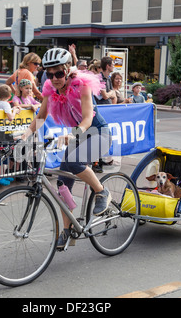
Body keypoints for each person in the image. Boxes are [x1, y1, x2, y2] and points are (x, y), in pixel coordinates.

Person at [18, 48, 112, 249]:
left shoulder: (82, 85)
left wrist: (72, 134)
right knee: (62, 183)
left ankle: (102, 192)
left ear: (68, 69)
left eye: (59, 73)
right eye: (50, 75)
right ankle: (67, 229)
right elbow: (41, 117)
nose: (55, 78)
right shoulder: (51, 90)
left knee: (73, 162)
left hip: (98, 134)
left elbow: (88, 117)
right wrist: (24, 137)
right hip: (77, 136)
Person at [0, 84, 21, 186]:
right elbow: (10, 117)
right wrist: (15, 111)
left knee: (0, 154)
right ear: (10, 96)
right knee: (3, 154)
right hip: (4, 133)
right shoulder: (6, 105)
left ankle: (0, 175)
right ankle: (0, 176)